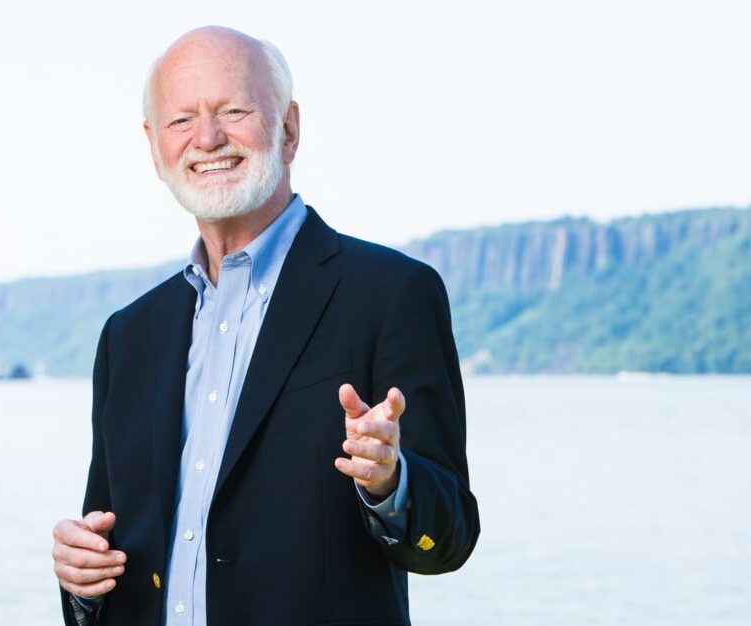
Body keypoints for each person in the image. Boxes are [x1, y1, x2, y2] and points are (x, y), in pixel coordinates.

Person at [51, 26, 479, 626]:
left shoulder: (391, 294)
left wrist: (389, 482)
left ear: (289, 129)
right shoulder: (127, 337)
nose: (208, 138)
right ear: (155, 147)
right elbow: (111, 555)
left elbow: (449, 536)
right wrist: (83, 585)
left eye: (233, 111)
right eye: (182, 120)